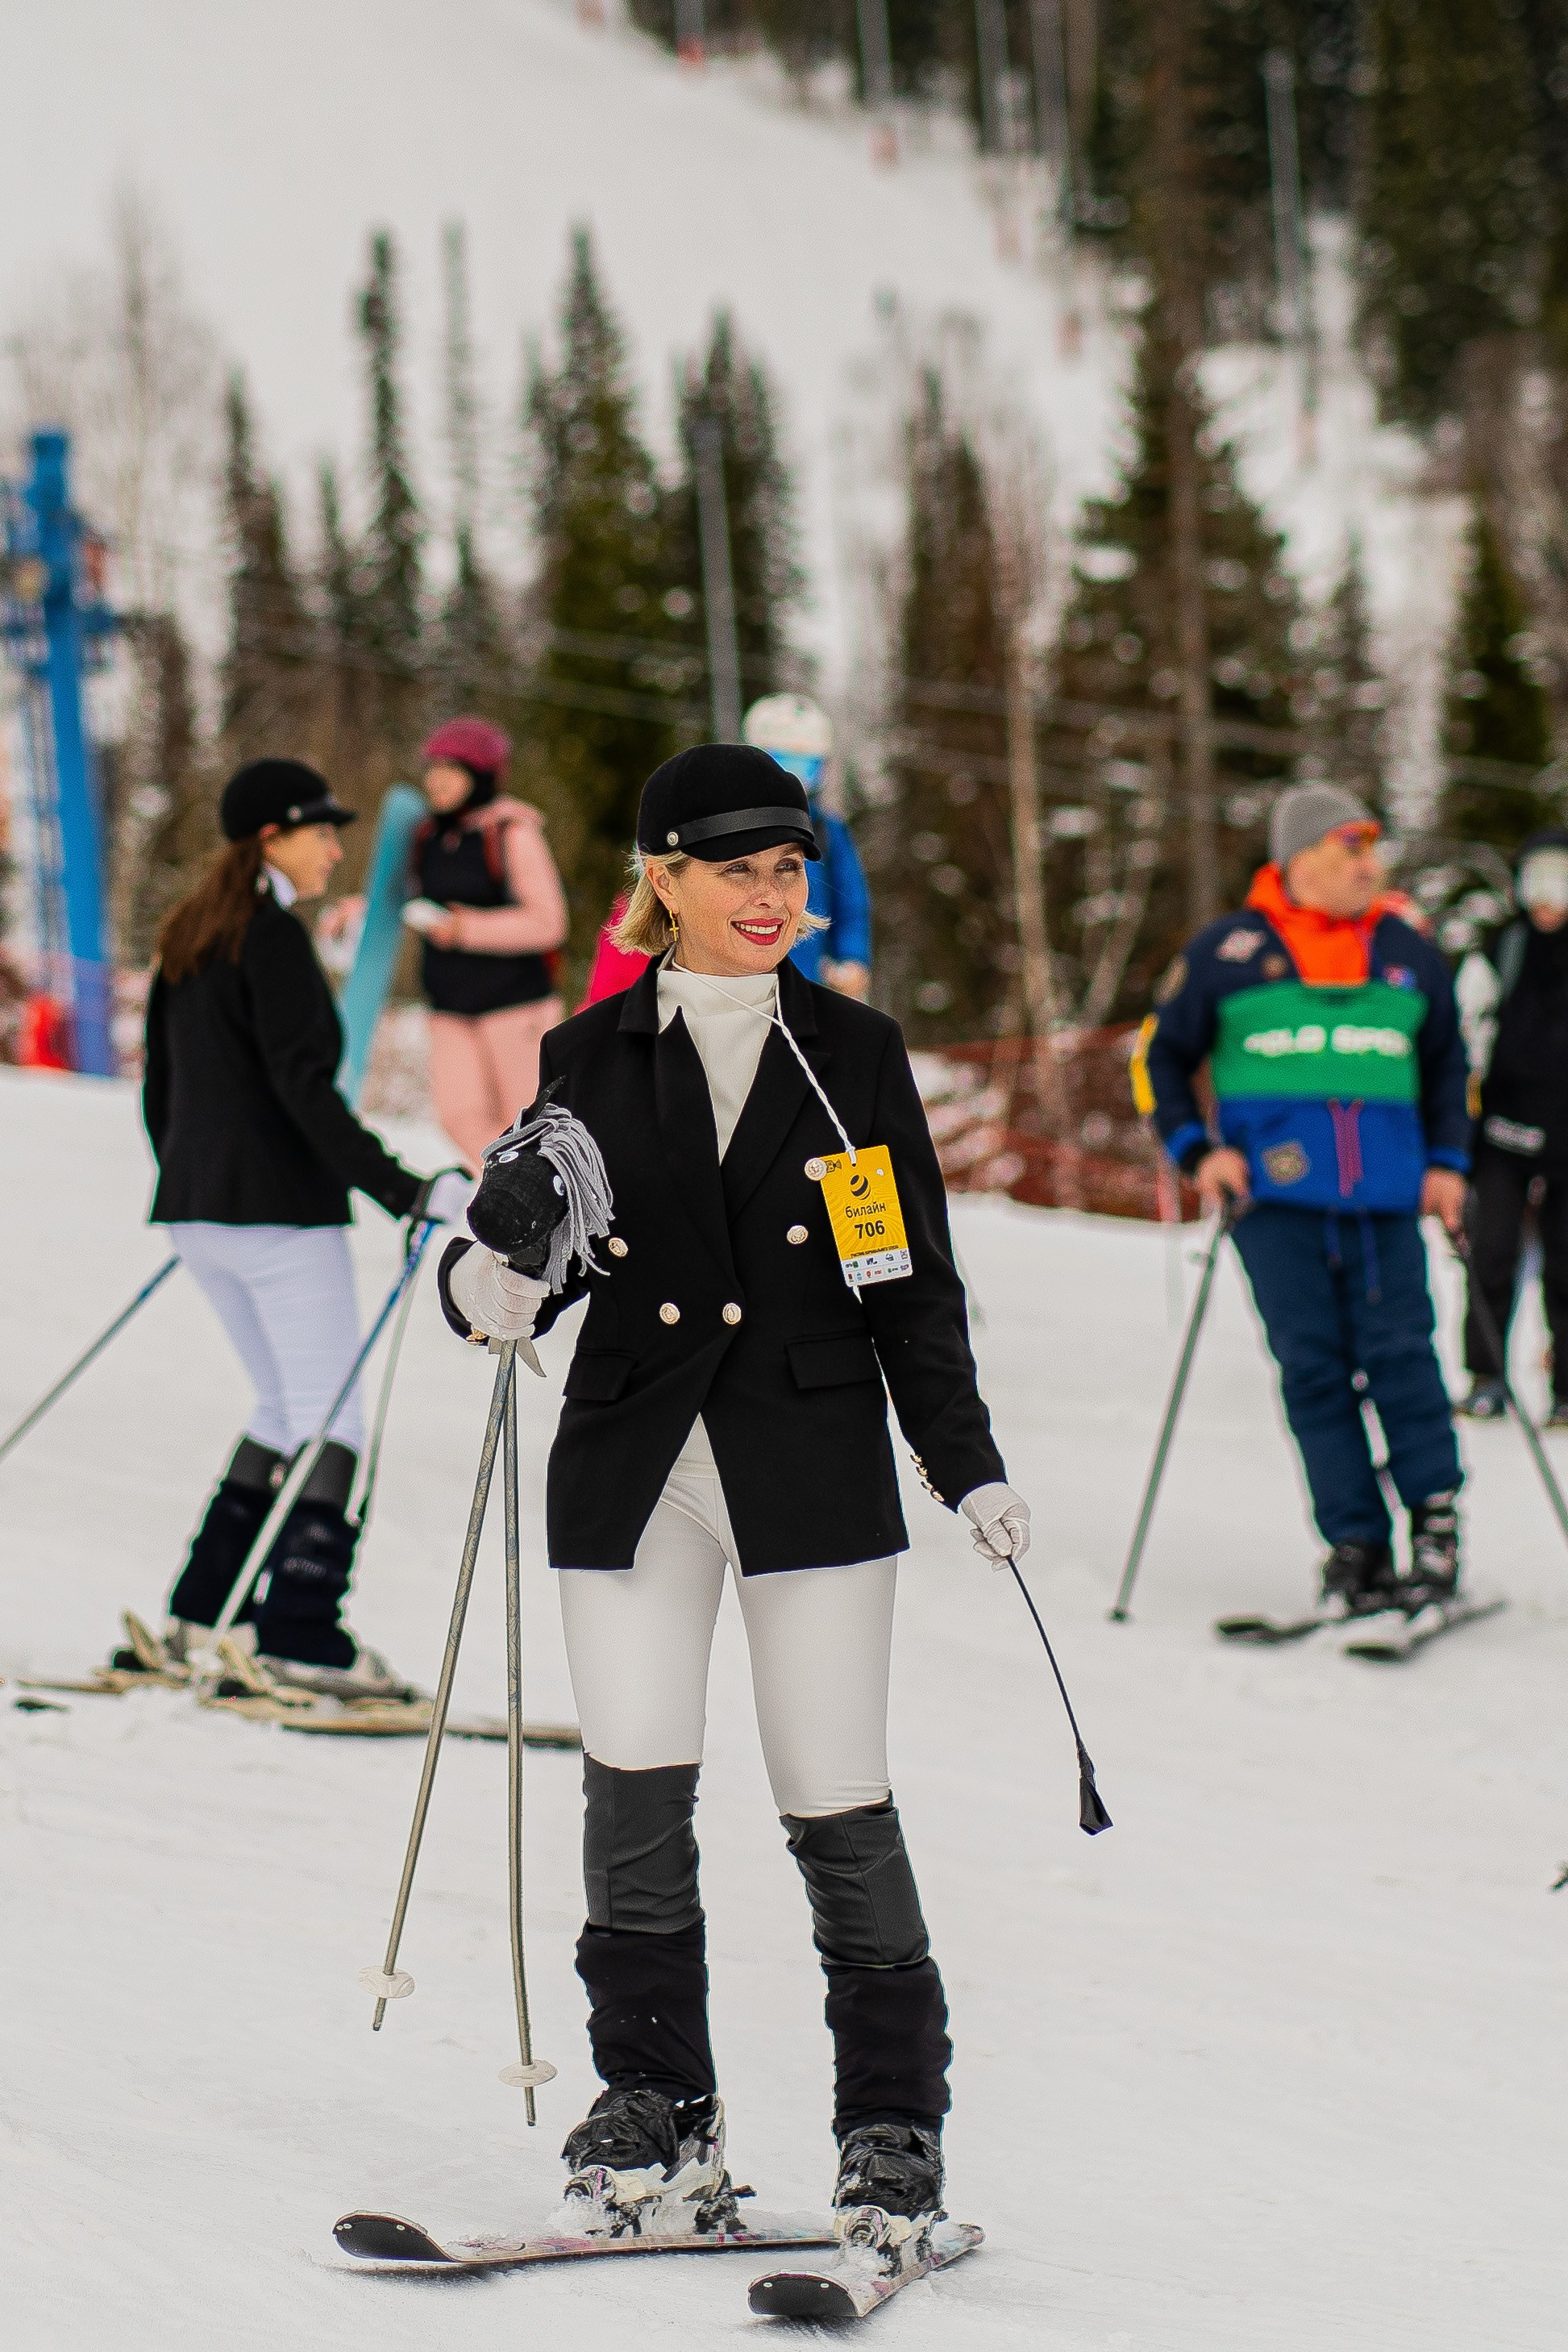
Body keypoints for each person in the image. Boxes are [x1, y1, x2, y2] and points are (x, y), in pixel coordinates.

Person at [436, 743, 1027, 2269]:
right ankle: (659, 2113)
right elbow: (538, 1261)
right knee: (634, 1792)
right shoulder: (587, 1052)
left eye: (789, 868)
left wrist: (964, 1458)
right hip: (637, 1464)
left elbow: (909, 1283)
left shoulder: (855, 1052)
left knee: (836, 1797)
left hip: (808, 1463)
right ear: (665, 879)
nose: (770, 897)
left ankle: (891, 2132)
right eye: (735, 869)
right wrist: (486, 1269)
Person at [139, 760, 469, 1693]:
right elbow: (304, 1090)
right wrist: (406, 1191)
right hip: (277, 1214)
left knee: (283, 1410)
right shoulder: (272, 936)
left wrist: (196, 1187)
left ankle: (200, 1615)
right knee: (334, 1419)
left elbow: (162, 1089)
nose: (333, 847)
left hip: (202, 1215)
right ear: (270, 836)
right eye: (319, 831)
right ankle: (298, 1630)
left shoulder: (189, 932)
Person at [1146, 781, 1472, 1618]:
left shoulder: (1406, 949)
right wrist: (1198, 1152)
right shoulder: (1226, 952)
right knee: (1313, 1373)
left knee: (1402, 1360)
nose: (1369, 863)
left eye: (1371, 846)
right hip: (1273, 1205)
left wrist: (1446, 1161)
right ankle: (1354, 1543)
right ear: (1301, 858)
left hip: (1385, 1203)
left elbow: (1446, 1062)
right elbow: (1162, 1057)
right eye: (1350, 846)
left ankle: (1435, 1526)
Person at [577, 693, 871, 1009]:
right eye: (780, 761)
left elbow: (851, 904)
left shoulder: (827, 833)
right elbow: (642, 925)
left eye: (807, 766)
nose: (794, 777)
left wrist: (852, 958)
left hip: (798, 986)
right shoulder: (701, 822)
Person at [409, 718, 569, 1171]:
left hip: (515, 1008)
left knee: (527, 1126)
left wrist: (464, 929)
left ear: (480, 776)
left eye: (451, 770)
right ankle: (508, 1195)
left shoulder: (511, 832)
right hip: (450, 1008)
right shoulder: (428, 835)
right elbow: (406, 897)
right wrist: (357, 910)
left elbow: (549, 923)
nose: (436, 780)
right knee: (458, 1117)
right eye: (433, 768)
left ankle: (540, 1205)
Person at [1454, 829, 1568, 1424]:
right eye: (1536, 882)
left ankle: (1565, 1388)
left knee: (1566, 1264)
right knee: (1491, 1252)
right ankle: (1486, 1375)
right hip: (1501, 1130)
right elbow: (1465, 1027)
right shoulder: (1503, 947)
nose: (1547, 898)